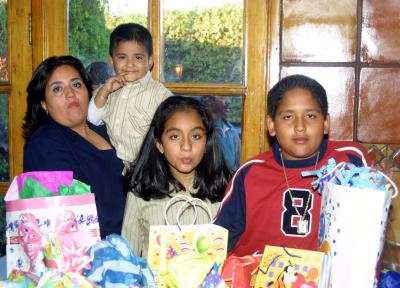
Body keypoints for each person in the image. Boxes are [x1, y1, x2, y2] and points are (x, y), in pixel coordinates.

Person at [214, 74, 372, 256]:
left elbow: (369, 229)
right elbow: (219, 240)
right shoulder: (250, 173)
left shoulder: (351, 161)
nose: (300, 126)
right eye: (288, 117)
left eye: (311, 116)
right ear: (271, 125)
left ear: (326, 123)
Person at [23, 55, 126, 239]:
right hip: (91, 257)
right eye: (57, 89)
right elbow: (71, 221)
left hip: (126, 244)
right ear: (44, 104)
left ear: (88, 91)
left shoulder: (104, 130)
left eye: (76, 84)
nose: (70, 93)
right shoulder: (43, 146)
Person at [121, 96, 232, 257]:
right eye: (174, 137)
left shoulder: (226, 192)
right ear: (159, 144)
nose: (186, 146)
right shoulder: (141, 194)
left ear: (207, 143)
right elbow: (127, 259)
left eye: (196, 136)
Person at [87, 23, 173, 167]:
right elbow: (92, 120)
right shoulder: (106, 90)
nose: (129, 64)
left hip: (149, 170)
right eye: (122, 57)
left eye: (138, 57)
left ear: (150, 61)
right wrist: (103, 93)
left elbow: (172, 134)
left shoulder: (160, 95)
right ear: (112, 60)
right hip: (114, 168)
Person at [203, 96, 241, 171]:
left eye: (228, 97)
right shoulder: (201, 129)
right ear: (208, 101)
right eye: (223, 97)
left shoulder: (231, 130)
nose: (228, 102)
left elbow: (238, 162)